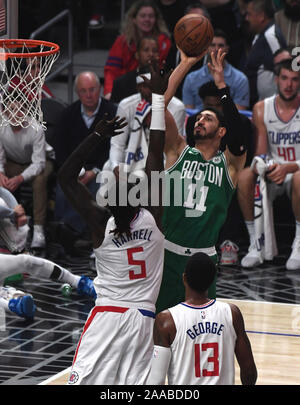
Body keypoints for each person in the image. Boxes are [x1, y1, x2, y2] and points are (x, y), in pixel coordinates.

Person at [58, 62, 169, 385]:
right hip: (141, 320)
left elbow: (66, 176)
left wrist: (97, 135)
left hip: (107, 317)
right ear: (138, 197)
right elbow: (156, 154)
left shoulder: (100, 224)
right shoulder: (153, 215)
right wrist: (159, 99)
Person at [155, 47, 247, 314]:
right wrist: (185, 63)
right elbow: (159, 104)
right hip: (169, 254)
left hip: (204, 259)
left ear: (221, 131)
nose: (200, 120)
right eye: (198, 118)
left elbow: (239, 134)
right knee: (162, 331)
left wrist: (221, 85)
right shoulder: (177, 151)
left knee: (199, 333)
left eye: (208, 118)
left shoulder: (229, 165)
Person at [147, 252, 257, 385]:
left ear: (184, 278)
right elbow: (249, 371)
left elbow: (156, 380)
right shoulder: (232, 314)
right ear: (212, 280)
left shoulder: (167, 321)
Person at [237, 58, 300, 270]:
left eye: (294, 79)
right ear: (276, 80)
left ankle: (298, 244)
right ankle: (255, 243)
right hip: (274, 170)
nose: (289, 84)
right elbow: (261, 153)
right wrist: (264, 166)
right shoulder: (261, 108)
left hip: (297, 169)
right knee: (245, 175)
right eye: (284, 78)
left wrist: (288, 168)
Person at [185, 80, 255, 266]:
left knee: (228, 181)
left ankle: (229, 241)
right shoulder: (195, 123)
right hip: (198, 169)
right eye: (210, 106)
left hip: (230, 171)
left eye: (219, 105)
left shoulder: (239, 123)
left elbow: (244, 158)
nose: (216, 110)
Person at [52, 71, 117, 241]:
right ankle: (63, 231)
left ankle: (76, 232)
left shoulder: (113, 113)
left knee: (97, 191)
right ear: (77, 92)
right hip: (73, 171)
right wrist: (72, 171)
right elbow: (60, 149)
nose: (88, 95)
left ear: (100, 89)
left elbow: (115, 148)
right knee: (63, 190)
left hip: (101, 170)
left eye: (92, 90)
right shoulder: (67, 114)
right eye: (83, 91)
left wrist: (94, 171)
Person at [109, 70, 186, 178]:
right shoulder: (126, 105)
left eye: (154, 86)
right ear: (138, 88)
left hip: (164, 158)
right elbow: (117, 143)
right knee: (108, 168)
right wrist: (115, 165)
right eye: (146, 86)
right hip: (133, 155)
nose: (151, 90)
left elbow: (174, 147)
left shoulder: (177, 107)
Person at [0, 99, 53, 249]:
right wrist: (1, 173)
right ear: (4, 112)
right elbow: (0, 157)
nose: (16, 114)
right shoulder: (1, 125)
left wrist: (19, 178)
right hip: (13, 162)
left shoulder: (36, 128)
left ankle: (38, 229)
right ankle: (7, 225)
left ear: (26, 112)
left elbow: (39, 163)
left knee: (40, 179)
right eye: (11, 110)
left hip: (40, 161)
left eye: (20, 110)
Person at [103, 0, 171, 99]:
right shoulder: (122, 41)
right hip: (126, 87)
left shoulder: (164, 42)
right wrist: (109, 92)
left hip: (155, 90)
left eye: (151, 16)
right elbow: (111, 71)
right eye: (143, 16)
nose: (147, 19)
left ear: (156, 20)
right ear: (134, 19)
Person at [182, 29, 250, 112]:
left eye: (220, 45)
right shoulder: (191, 78)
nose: (216, 49)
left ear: (227, 49)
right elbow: (188, 113)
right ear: (206, 48)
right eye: (212, 45)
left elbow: (240, 115)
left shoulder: (240, 79)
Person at [243, 0, 286, 107]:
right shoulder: (259, 35)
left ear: (261, 16)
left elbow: (284, 68)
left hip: (270, 106)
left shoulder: (271, 36)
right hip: (257, 104)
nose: (246, 18)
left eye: (249, 14)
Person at [110, 35, 160, 104]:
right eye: (146, 50)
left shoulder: (167, 81)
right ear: (137, 55)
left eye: (154, 51)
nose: (151, 54)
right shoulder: (121, 83)